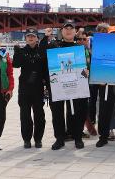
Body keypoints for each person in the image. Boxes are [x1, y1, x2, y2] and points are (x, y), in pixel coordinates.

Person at [40, 20, 89, 150]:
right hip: (57, 86)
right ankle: (59, 139)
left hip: (76, 84)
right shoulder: (54, 46)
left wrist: (86, 71)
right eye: (66, 29)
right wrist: (46, 37)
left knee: (77, 112)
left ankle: (77, 137)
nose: (68, 31)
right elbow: (42, 53)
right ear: (62, 32)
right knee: (57, 113)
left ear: (75, 32)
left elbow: (86, 66)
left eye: (71, 29)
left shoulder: (80, 48)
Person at [13, 28, 47, 149]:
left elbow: (45, 69)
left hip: (38, 87)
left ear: (37, 38)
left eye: (33, 36)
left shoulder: (42, 51)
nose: (31, 38)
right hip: (24, 88)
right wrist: (16, 52)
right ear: (25, 38)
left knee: (39, 115)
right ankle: (26, 139)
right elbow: (15, 65)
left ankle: (38, 139)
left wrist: (46, 86)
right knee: (25, 115)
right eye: (28, 36)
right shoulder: (21, 51)